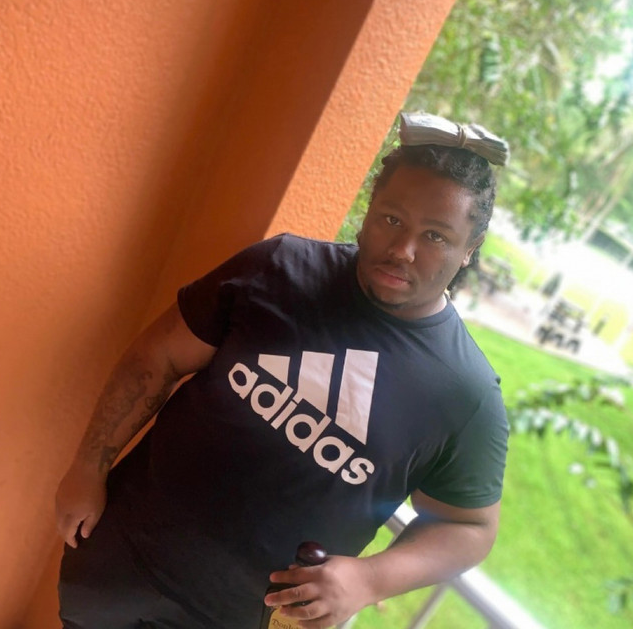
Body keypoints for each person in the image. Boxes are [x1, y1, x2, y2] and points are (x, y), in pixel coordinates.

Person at [56, 112, 510, 629]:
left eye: (435, 236)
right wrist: (88, 467)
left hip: (242, 618)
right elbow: (159, 357)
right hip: (116, 563)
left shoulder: (465, 393)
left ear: (469, 249)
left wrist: (370, 580)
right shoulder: (278, 268)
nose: (403, 250)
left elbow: (470, 527)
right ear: (370, 209)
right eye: (391, 219)